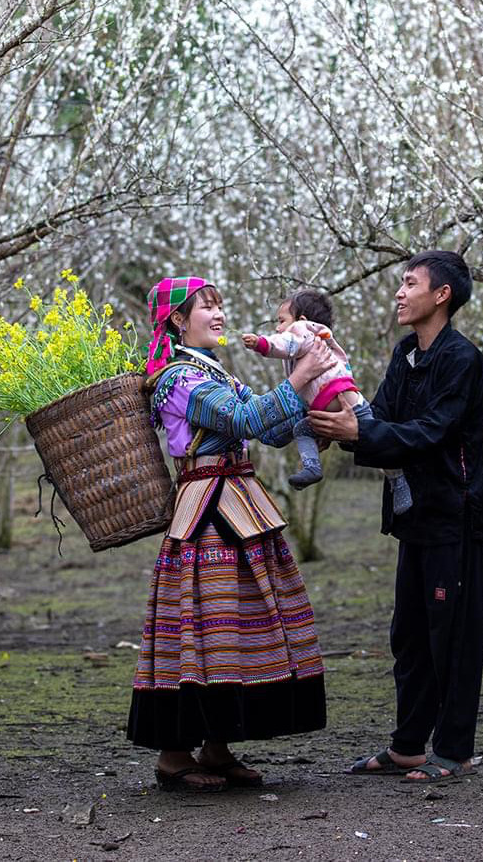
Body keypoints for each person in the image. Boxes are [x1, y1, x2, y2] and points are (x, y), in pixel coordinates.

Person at [129, 276, 334, 793]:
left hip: (239, 503)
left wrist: (318, 401)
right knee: (202, 626)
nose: (219, 315)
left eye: (221, 306)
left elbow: (266, 427)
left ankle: (217, 748)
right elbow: (244, 418)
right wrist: (297, 378)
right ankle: (174, 755)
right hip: (207, 511)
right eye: (207, 308)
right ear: (178, 320)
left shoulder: (213, 372)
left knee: (236, 626)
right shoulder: (179, 378)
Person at [307, 251, 483, 782]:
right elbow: (383, 418)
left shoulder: (462, 360)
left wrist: (360, 434)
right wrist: (332, 422)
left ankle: (454, 749)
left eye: (409, 283)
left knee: (452, 638)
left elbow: (430, 433)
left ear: (441, 296)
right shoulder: (405, 352)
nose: (398, 293)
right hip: (414, 518)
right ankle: (409, 745)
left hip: (454, 517)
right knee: (409, 635)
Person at [241, 289, 410, 510]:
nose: (277, 327)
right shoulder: (306, 351)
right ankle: (311, 467)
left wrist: (262, 344)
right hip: (325, 410)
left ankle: (398, 479)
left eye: (281, 320)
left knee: (378, 446)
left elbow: (287, 343)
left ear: (302, 320)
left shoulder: (303, 331)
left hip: (351, 407)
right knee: (302, 430)